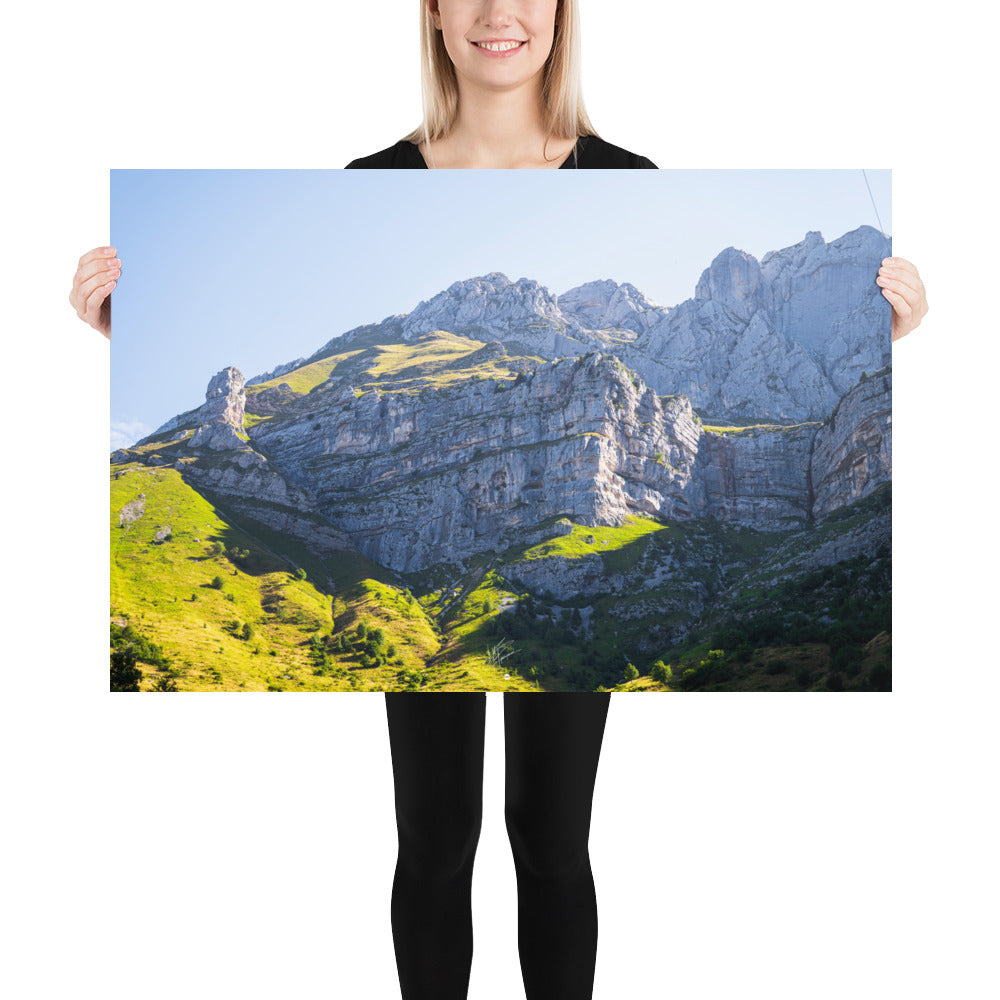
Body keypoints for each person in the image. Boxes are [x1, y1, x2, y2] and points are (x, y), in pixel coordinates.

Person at [73, 2, 928, 998]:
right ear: (430, 15)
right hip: (407, 586)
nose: (496, 14)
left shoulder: (624, 177)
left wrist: (887, 341)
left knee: (551, 835)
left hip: (581, 597)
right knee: (435, 839)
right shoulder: (373, 184)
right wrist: (111, 332)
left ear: (563, 14)